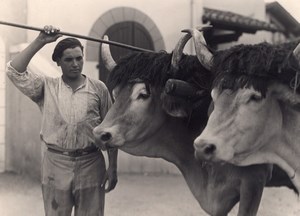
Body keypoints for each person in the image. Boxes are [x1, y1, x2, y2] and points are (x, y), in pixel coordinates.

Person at [6, 25, 118, 216]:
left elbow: (110, 133)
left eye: (79, 58)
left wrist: (113, 168)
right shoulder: (46, 87)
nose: (75, 64)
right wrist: (41, 40)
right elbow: (14, 71)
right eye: (68, 59)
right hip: (56, 164)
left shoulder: (99, 88)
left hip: (91, 162)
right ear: (58, 62)